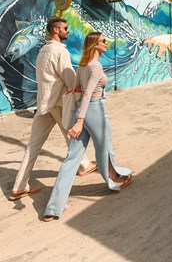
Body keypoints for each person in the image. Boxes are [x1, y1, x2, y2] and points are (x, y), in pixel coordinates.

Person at [43, 32, 133, 221]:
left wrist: (78, 118)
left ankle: (54, 206)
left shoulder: (82, 66)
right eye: (103, 41)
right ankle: (114, 180)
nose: (106, 43)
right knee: (105, 148)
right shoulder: (96, 67)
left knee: (72, 159)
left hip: (80, 112)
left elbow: (76, 90)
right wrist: (81, 121)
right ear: (95, 45)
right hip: (94, 111)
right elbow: (87, 94)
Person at [9, 17, 96, 201]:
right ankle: (83, 166)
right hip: (57, 104)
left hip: (43, 104)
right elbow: (69, 78)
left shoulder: (43, 50)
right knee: (72, 136)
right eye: (65, 28)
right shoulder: (59, 51)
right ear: (56, 30)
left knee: (32, 147)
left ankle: (19, 186)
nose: (68, 31)